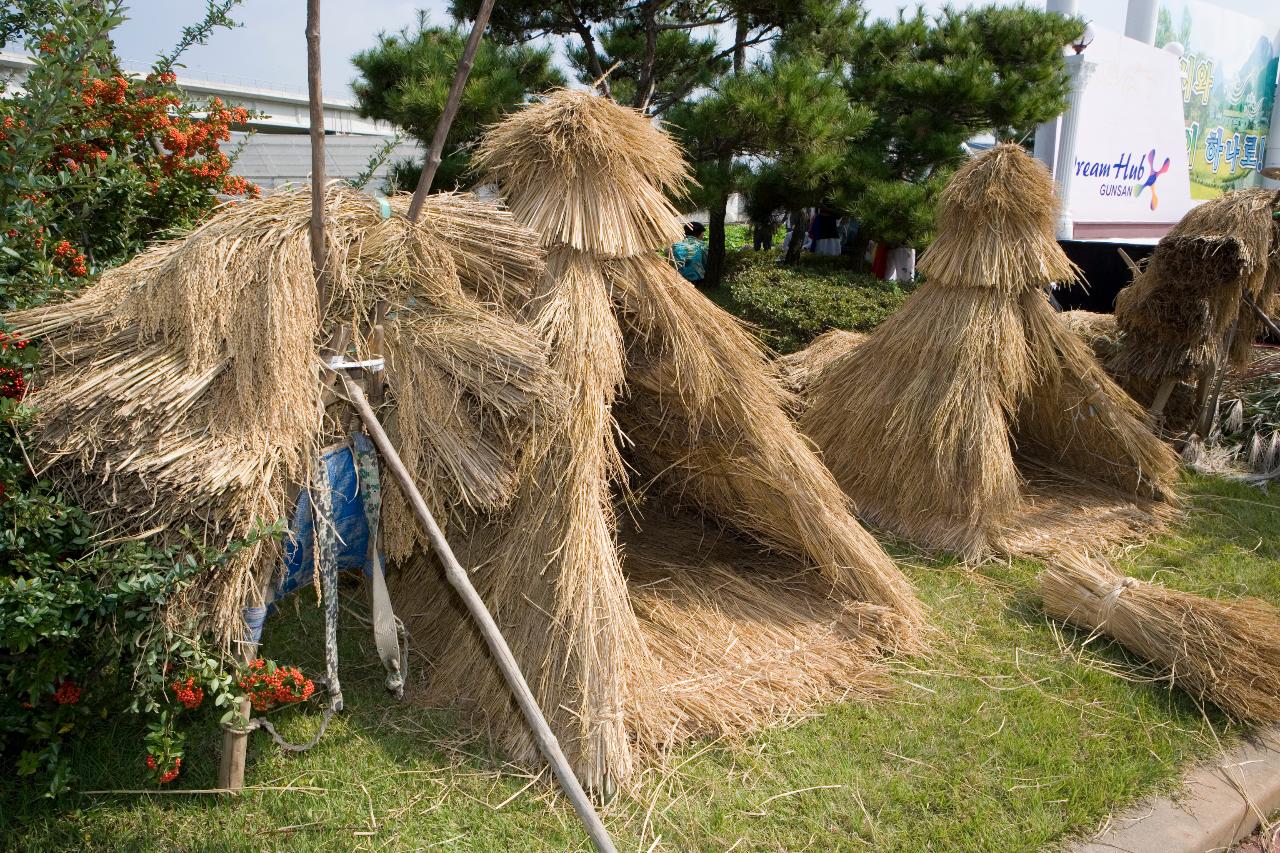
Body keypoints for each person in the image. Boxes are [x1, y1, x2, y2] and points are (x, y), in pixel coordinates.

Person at [670, 221, 707, 285]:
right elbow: (707, 263)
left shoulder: (674, 246)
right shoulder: (702, 246)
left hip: (676, 278)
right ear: (700, 233)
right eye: (703, 233)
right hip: (696, 280)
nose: (703, 235)